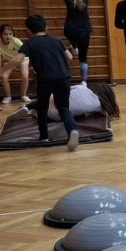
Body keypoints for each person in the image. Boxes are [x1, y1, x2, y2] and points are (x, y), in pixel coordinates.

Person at [18, 15, 79, 151]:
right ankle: (72, 130)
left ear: (28, 30)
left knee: (42, 107)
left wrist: (1, 71)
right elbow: (70, 56)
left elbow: (18, 59)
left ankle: (44, 136)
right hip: (63, 77)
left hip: (45, 79)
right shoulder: (56, 40)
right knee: (63, 107)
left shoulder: (30, 43)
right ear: (46, 27)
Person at [56, 0, 92, 83]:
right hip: (84, 31)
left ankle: (74, 45)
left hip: (70, 30)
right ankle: (84, 81)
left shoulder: (69, 0)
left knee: (69, 34)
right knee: (83, 58)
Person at [27, 81, 120, 121]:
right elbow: (106, 114)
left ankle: (28, 107)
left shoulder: (81, 88)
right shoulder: (98, 106)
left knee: (49, 98)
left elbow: (65, 89)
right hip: (55, 116)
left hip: (49, 101)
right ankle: (35, 113)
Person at [0, 24, 31, 105]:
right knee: (4, 76)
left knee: (25, 76)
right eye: (5, 34)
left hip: (22, 60)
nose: (8, 36)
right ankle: (8, 96)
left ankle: (23, 95)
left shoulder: (16, 41)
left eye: (10, 34)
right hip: (9, 61)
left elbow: (25, 52)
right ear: (1, 35)